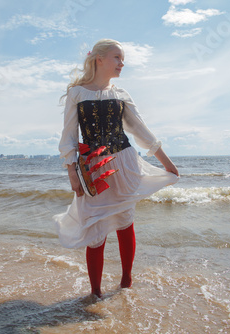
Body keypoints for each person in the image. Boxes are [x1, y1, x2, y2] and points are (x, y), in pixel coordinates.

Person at [53, 39, 179, 298]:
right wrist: (72, 174)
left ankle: (126, 283)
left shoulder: (121, 95)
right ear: (99, 59)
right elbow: (68, 136)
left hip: (124, 163)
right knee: (95, 228)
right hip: (92, 169)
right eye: (117, 58)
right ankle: (95, 293)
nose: (122, 64)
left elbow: (140, 130)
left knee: (125, 222)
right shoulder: (77, 93)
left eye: (123, 60)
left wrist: (167, 163)